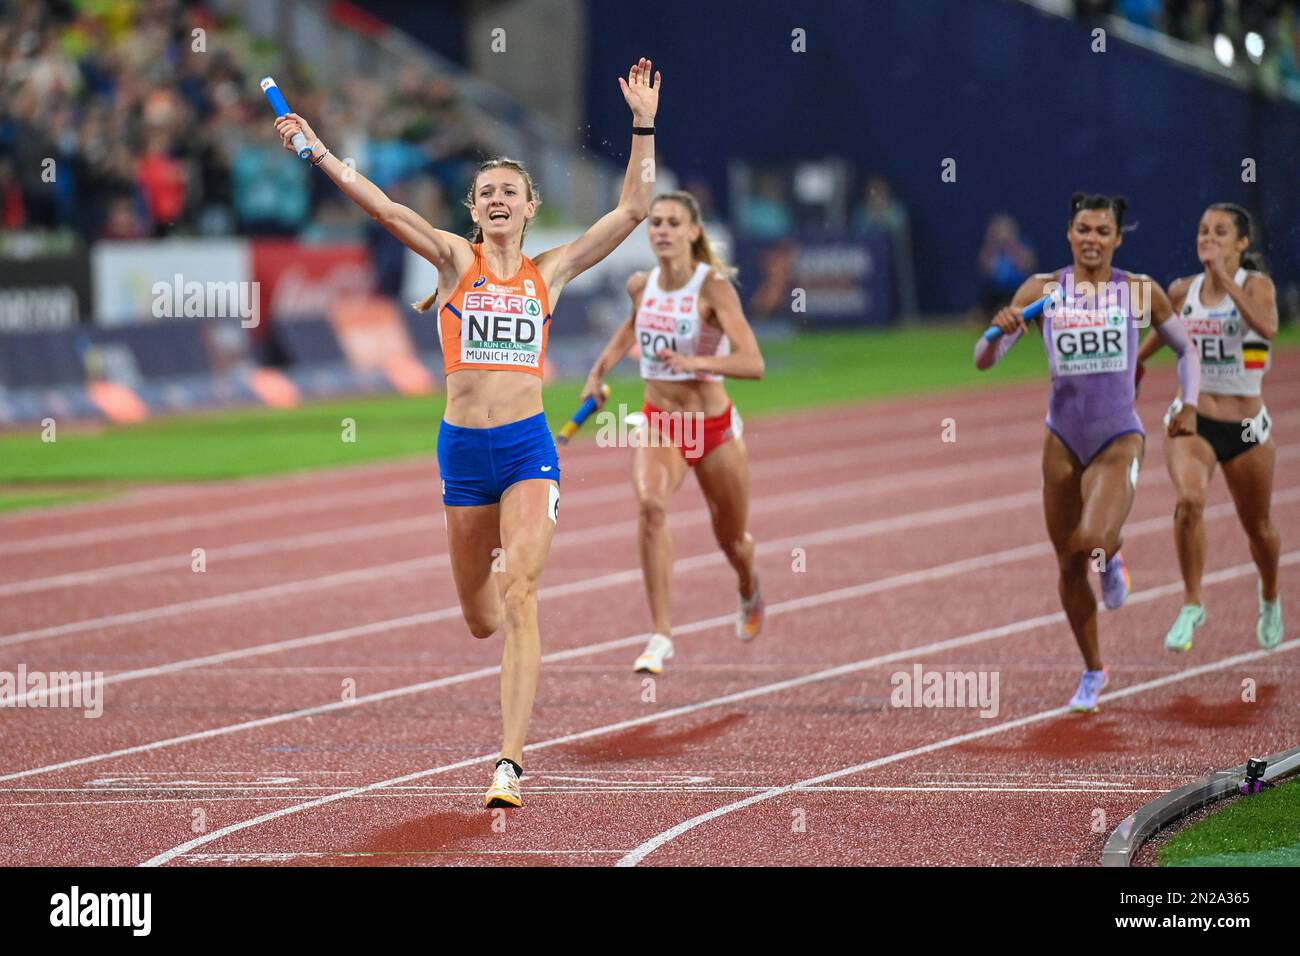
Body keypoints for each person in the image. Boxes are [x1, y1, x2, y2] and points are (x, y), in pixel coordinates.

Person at [276, 57, 662, 810]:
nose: (495, 200)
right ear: (474, 207)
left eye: (508, 193)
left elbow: (633, 210)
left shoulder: (550, 271)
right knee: (481, 617)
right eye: (485, 192)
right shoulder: (455, 260)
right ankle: (495, 609)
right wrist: (316, 151)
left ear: (528, 206)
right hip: (462, 455)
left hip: (526, 450)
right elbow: (387, 210)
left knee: (521, 596)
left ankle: (509, 764)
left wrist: (643, 122)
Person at [974, 193, 1201, 712]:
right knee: (1069, 561)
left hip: (1118, 435)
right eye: (1083, 229)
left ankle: (1113, 551)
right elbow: (983, 359)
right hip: (1062, 439)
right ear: (1069, 234)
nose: (1092, 239)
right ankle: (1093, 671)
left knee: (1093, 539)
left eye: (1103, 231)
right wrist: (1000, 329)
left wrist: (1188, 404)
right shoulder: (1043, 291)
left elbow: (1185, 348)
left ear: (1118, 238)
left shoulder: (1139, 293)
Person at [581, 190, 766, 675]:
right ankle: (660, 634)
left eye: (672, 223)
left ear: (693, 232)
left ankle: (748, 584)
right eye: (655, 222)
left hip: (714, 428)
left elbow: (753, 362)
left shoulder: (714, 289)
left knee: (731, 539)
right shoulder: (641, 286)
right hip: (662, 422)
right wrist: (598, 372)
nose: (661, 230)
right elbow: (630, 329)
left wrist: (695, 362)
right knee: (650, 506)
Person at [1136, 202, 1282, 651]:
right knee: (1190, 499)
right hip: (1193, 418)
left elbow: (1269, 328)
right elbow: (1165, 331)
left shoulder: (1256, 286)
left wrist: (1223, 281)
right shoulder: (1181, 290)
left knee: (1257, 526)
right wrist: (1133, 366)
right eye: (1202, 231)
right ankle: (1192, 603)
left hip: (1245, 429)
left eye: (1220, 232)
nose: (1208, 238)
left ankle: (1271, 596)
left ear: (1242, 243)